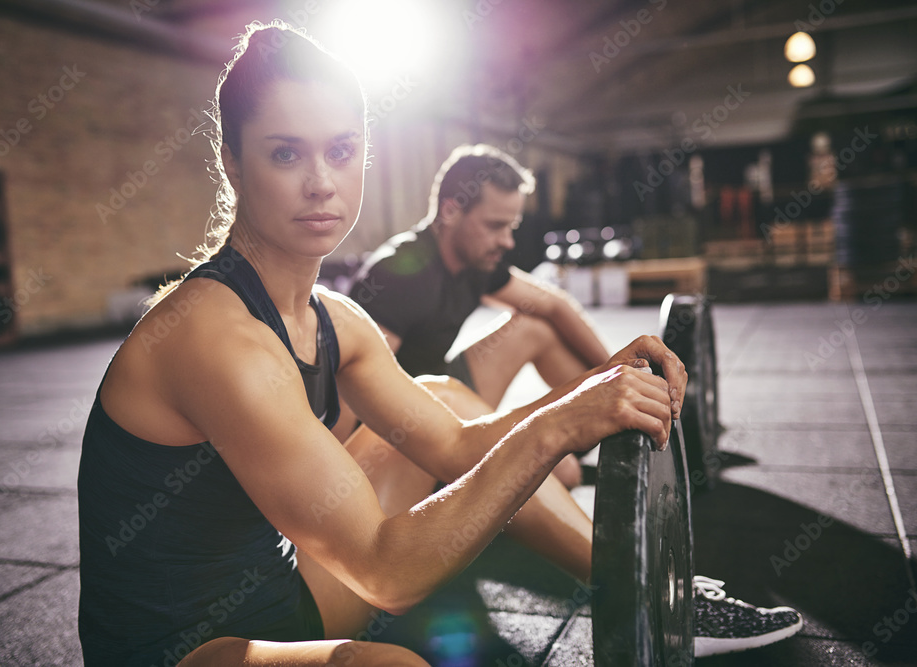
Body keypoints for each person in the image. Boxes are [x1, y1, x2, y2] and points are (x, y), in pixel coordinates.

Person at [76, 20, 802, 667]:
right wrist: (561, 422)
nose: (321, 183)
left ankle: (642, 586)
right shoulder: (214, 333)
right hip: (185, 648)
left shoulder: (335, 318)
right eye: (286, 154)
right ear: (233, 164)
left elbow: (456, 450)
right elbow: (386, 571)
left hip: (283, 586)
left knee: (440, 399)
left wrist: (585, 391)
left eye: (341, 149)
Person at [346, 144, 611, 487]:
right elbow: (353, 391)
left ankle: (616, 421)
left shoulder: (476, 260)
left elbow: (554, 306)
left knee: (533, 328)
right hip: (396, 431)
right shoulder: (400, 275)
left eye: (511, 227)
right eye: (495, 226)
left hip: (439, 390)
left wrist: (620, 370)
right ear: (451, 211)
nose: (508, 242)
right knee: (564, 473)